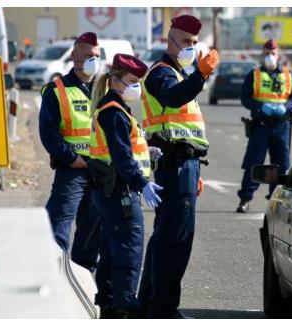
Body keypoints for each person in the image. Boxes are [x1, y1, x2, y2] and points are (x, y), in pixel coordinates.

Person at [138, 14, 220, 318]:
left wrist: (195, 169)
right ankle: (163, 310)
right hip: (175, 165)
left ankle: (148, 305)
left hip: (185, 165)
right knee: (175, 241)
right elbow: (173, 100)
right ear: (169, 41)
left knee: (164, 238)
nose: (192, 48)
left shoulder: (179, 74)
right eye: (186, 42)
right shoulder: (162, 73)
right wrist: (201, 75)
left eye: (195, 43)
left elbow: (187, 129)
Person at [89, 53, 163, 318]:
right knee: (130, 246)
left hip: (110, 188)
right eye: (133, 81)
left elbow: (123, 148)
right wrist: (143, 184)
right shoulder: (115, 112)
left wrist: (147, 150)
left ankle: (109, 301)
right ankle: (125, 304)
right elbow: (121, 158)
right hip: (120, 189)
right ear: (116, 81)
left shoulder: (114, 108)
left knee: (112, 246)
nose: (137, 87)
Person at [39, 32, 101, 270]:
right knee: (58, 226)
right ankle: (54, 276)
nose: (92, 61)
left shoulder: (104, 90)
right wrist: (71, 158)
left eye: (96, 56)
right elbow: (48, 132)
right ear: (74, 56)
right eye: (87, 56)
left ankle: (83, 282)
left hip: (98, 170)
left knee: (92, 231)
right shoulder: (56, 89)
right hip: (72, 170)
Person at [236, 39, 292, 213]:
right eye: (266, 53)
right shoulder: (255, 74)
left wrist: (287, 108)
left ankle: (276, 201)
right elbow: (245, 98)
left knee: (281, 165)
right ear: (262, 54)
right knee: (254, 162)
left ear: (278, 55)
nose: (270, 57)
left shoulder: (289, 75)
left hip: (281, 126)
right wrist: (260, 106)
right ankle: (245, 199)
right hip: (261, 125)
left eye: (272, 53)